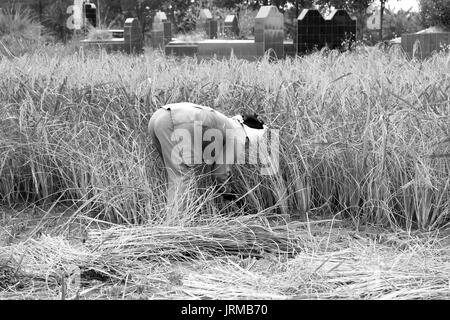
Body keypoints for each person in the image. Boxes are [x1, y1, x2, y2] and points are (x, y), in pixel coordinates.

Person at [148, 102, 268, 212]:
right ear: (251, 137)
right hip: (175, 121)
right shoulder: (239, 136)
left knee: (175, 175)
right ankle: (176, 228)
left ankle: (170, 222)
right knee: (183, 176)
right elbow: (220, 174)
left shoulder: (229, 124)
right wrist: (232, 196)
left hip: (159, 116)